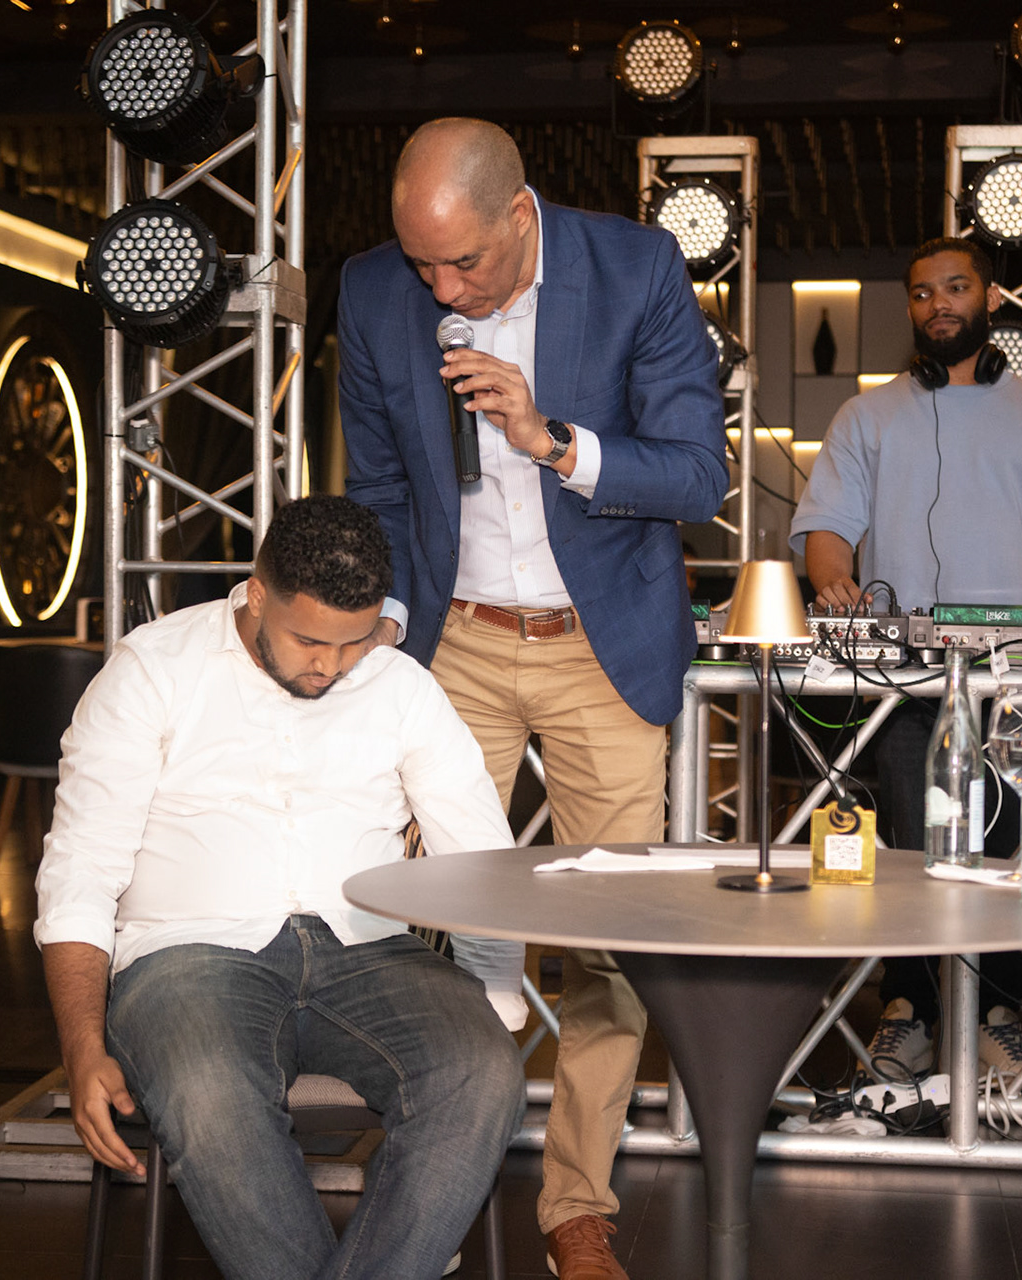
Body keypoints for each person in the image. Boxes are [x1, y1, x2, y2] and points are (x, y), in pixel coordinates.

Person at [338, 117, 727, 1279]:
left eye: (462, 263)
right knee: (427, 919)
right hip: (452, 640)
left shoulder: (637, 269)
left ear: (520, 214)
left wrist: (552, 438)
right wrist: (384, 632)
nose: (441, 290)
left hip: (599, 646)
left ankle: (577, 1205)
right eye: (423, 264)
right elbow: (378, 486)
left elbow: (698, 473)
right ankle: (429, 1179)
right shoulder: (372, 289)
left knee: (609, 936)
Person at [35, 494, 528, 1280]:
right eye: (309, 640)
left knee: (484, 1072)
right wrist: (81, 1045)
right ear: (257, 595)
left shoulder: (399, 686)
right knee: (210, 1093)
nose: (330, 665)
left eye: (354, 641)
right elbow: (80, 867)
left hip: (371, 949)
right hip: (187, 954)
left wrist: (491, 1003)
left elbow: (479, 858)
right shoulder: (154, 669)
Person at [789, 236, 1022, 1089]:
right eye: (921, 292)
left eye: (955, 287)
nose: (938, 304)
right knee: (914, 851)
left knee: (1014, 857)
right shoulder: (867, 416)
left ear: (991, 299)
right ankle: (910, 1010)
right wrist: (834, 585)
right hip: (909, 679)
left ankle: (997, 1014)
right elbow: (827, 531)